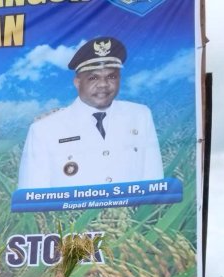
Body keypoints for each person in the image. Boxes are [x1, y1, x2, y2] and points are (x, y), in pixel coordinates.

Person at [17, 36, 163, 189]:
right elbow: (31, 193)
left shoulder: (139, 116)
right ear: (77, 83)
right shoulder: (45, 129)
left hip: (133, 212)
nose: (103, 85)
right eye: (93, 78)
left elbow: (154, 180)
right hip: (72, 213)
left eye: (111, 76)